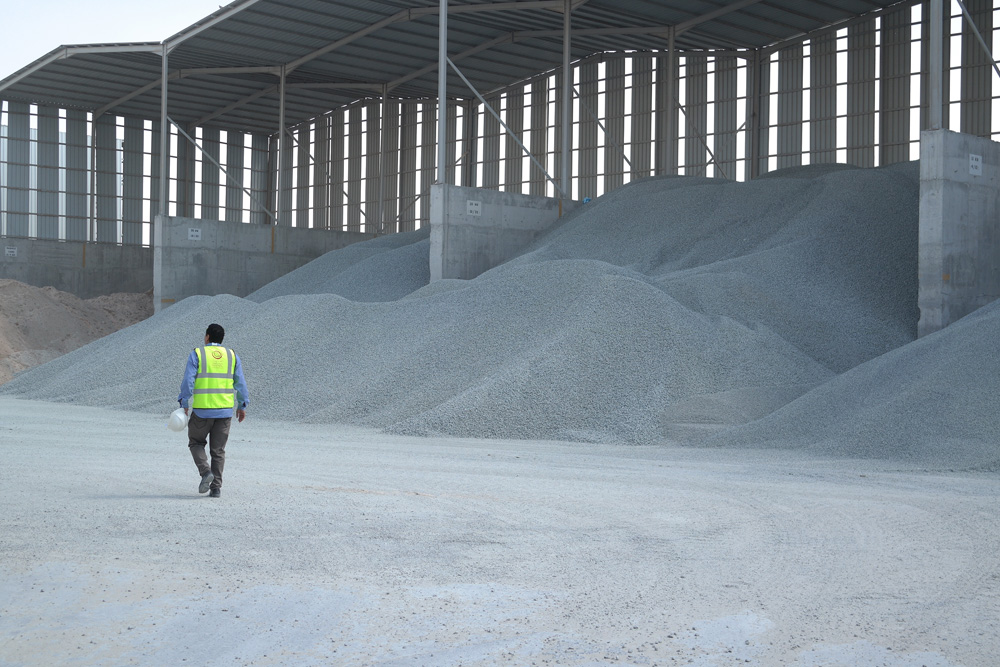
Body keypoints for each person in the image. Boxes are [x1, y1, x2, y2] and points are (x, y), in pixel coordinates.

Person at [177, 323, 250, 498]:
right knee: (218, 451)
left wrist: (184, 401)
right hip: (224, 411)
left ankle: (205, 472)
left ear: (207, 337)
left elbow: (189, 380)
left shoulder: (197, 354)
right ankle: (216, 488)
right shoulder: (232, 356)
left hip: (202, 410)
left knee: (195, 442)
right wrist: (242, 405)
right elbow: (240, 383)